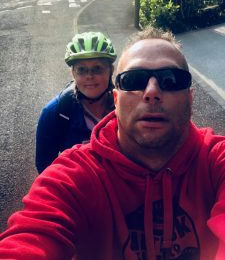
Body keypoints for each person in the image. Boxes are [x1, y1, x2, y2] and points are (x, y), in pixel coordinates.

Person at [1, 26, 225, 260]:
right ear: (116, 99)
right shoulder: (69, 157)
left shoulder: (215, 160)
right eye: (133, 80)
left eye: (170, 80)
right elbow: (34, 230)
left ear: (190, 99)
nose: (151, 92)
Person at [35, 31, 116, 173]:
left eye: (98, 68)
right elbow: (45, 166)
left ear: (111, 71)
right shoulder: (56, 112)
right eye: (81, 70)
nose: (89, 76)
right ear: (73, 73)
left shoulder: (125, 106)